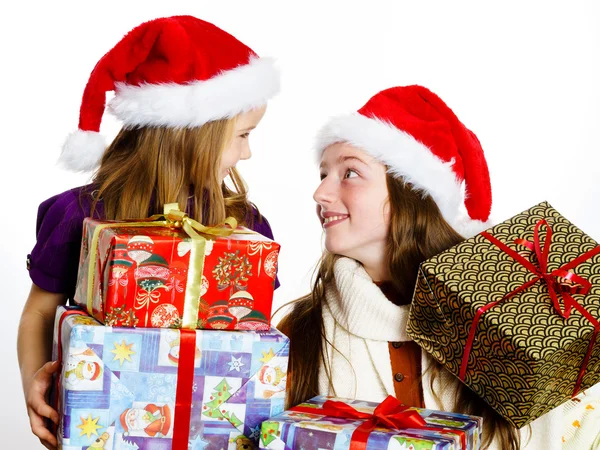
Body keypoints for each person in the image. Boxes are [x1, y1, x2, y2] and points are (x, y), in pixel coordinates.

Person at [18, 15, 280, 449]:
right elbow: (39, 313)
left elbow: (257, 336)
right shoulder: (78, 215)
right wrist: (34, 384)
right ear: (192, 135)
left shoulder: (243, 227)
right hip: (100, 430)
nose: (247, 152)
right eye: (242, 135)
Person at [279, 85, 569, 449]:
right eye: (323, 174)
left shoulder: (499, 318)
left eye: (349, 173)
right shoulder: (302, 331)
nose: (320, 193)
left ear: (411, 191)